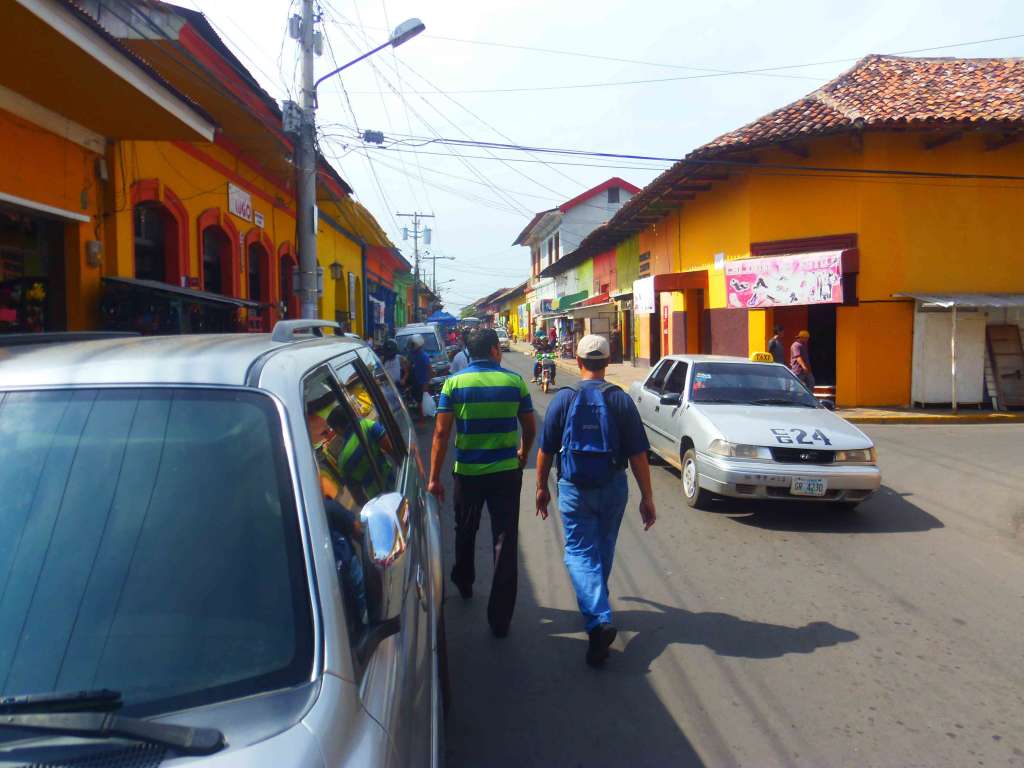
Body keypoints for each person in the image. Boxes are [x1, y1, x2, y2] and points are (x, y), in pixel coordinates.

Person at [535, 334, 657, 667]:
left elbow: (545, 450)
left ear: (578, 361)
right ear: (607, 362)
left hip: (574, 486)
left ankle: (598, 617)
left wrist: (541, 488)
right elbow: (638, 454)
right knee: (602, 548)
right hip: (613, 484)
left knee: (578, 552)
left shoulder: (564, 399)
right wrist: (647, 497)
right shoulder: (620, 400)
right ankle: (597, 611)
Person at [428, 328, 537, 638]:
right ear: (493, 351)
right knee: (504, 539)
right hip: (505, 472)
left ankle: (464, 578)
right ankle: (500, 617)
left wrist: (434, 478)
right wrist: (522, 452)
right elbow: (529, 428)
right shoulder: (514, 381)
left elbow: (440, 434)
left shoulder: (454, 383)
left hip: (468, 472)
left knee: (465, 528)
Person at [406, 334, 432, 421]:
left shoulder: (423, 355)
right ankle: (421, 416)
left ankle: (422, 417)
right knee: (419, 399)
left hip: (422, 381)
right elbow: (408, 365)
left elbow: (429, 368)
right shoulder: (412, 354)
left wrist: (427, 381)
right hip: (416, 380)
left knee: (421, 400)